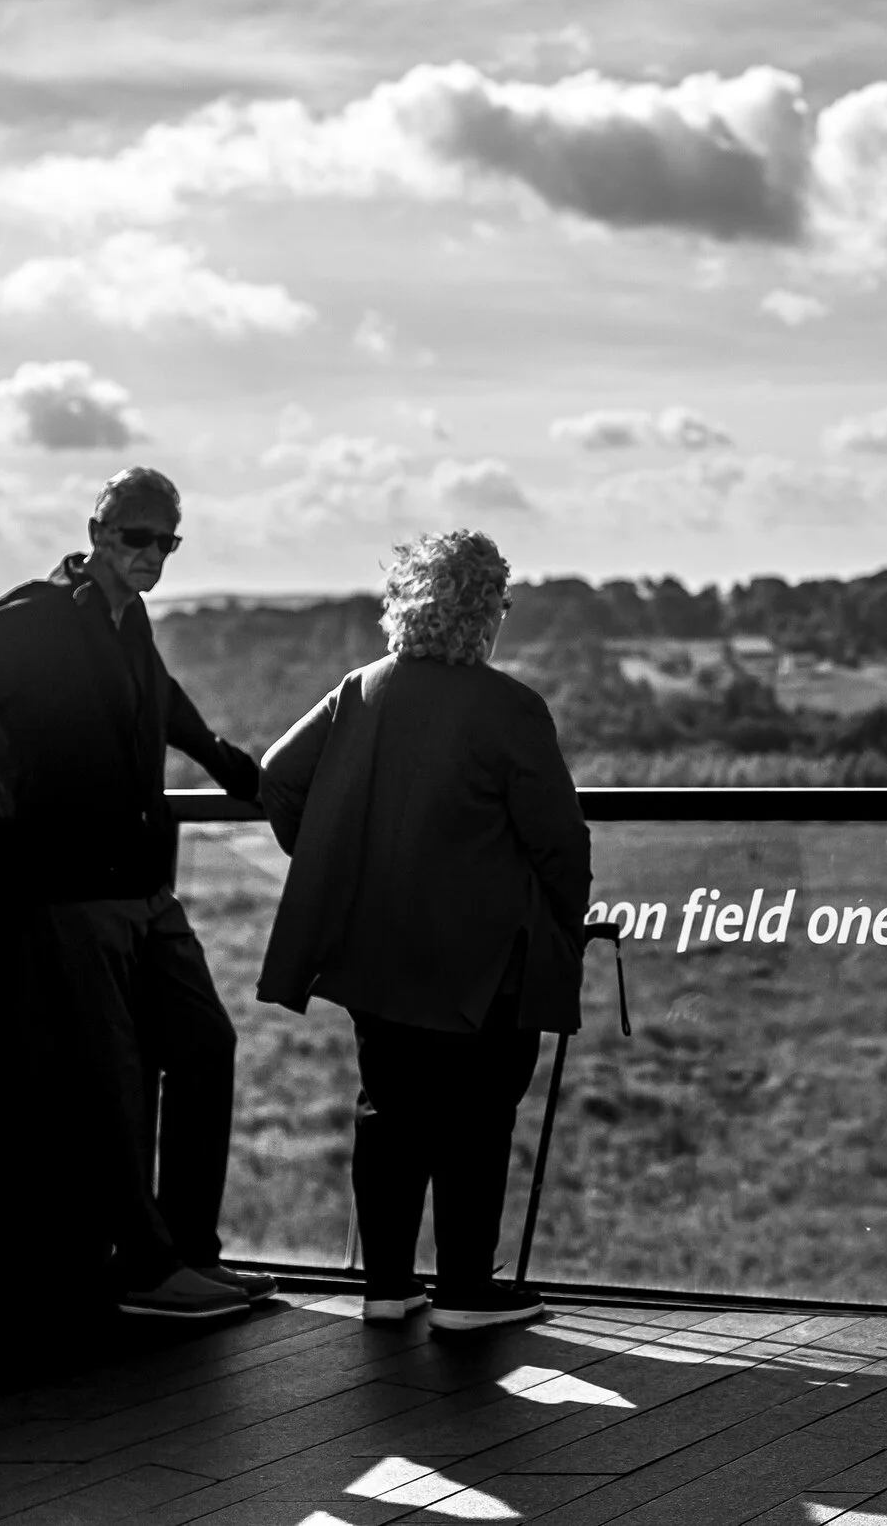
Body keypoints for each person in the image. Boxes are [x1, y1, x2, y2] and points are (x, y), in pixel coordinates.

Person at [0, 466, 271, 1320]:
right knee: (112, 1079)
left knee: (205, 1045)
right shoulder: (36, 617)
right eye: (136, 537)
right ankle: (147, 1268)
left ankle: (190, 1252)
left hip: (141, 885)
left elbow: (163, 706)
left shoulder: (129, 622)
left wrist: (234, 768)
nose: (152, 555)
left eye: (166, 541)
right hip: (66, 890)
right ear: (97, 531)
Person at [256, 529, 591, 1330]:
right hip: (483, 963)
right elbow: (561, 842)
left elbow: (276, 774)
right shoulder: (509, 708)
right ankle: (467, 1292)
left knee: (389, 1113)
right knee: (478, 1116)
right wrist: (563, 922)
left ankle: (387, 1286)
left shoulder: (361, 689)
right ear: (484, 611)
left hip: (377, 953)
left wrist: (334, 859)